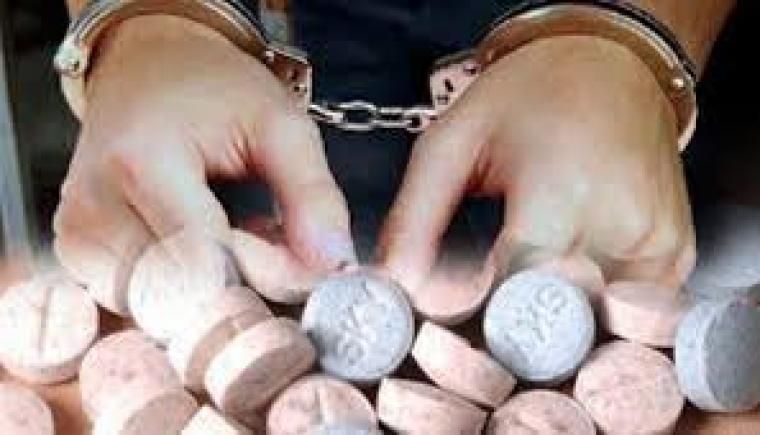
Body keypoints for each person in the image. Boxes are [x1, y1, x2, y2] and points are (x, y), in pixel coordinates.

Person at [54, 0, 735, 307]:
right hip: (322, 20)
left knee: (599, 297)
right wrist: (153, 25)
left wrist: (636, 47)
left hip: (620, 75)